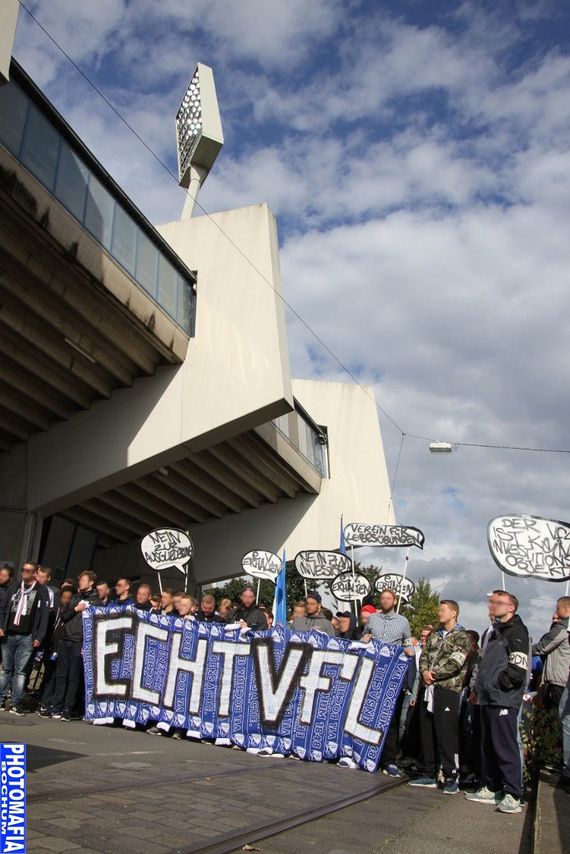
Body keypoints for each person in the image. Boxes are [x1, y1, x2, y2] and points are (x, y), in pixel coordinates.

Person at [467, 590, 529, 814]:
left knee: (505, 746)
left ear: (511, 607)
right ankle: (492, 787)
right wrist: (478, 688)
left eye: (498, 602)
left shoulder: (517, 631)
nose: (492, 605)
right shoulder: (494, 631)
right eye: (491, 602)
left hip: (503, 698)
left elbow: (518, 668)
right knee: (489, 745)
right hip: (487, 697)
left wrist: (499, 684)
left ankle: (513, 793)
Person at [410, 601, 470, 794]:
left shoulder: (462, 637)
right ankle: (429, 772)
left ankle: (451, 774)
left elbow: (456, 662)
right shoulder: (434, 635)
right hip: (428, 688)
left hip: (447, 689)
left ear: (453, 613)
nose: (439, 613)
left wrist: (434, 674)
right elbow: (424, 656)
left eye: (443, 610)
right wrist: (424, 672)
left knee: (446, 733)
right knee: (427, 729)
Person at [363, 588, 414, 777]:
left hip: (393, 675)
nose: (385, 601)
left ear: (394, 601)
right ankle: (368, 755)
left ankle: (389, 760)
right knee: (370, 715)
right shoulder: (373, 619)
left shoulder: (403, 621)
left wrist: (409, 651)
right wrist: (364, 639)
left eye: (388, 598)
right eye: (382, 598)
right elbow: (364, 637)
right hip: (374, 673)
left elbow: (408, 643)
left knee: (391, 719)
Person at [0, 562, 50, 715]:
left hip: (27, 636)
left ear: (35, 573)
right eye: (23, 570)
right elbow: (3, 607)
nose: (24, 572)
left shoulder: (41, 590)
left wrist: (40, 636)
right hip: (9, 634)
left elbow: (44, 616)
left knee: (20, 671)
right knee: (6, 669)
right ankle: (1, 699)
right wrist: (1, 626)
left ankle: (15, 703)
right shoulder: (15, 587)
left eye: (28, 570)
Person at [51, 570, 99, 721]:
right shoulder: (75, 597)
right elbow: (64, 616)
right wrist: (76, 609)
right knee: (61, 675)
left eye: (83, 580)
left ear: (91, 582)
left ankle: (68, 709)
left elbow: (96, 623)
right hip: (66, 638)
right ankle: (56, 706)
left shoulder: (96, 601)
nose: (80, 583)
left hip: (79, 641)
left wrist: (87, 644)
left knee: (73, 676)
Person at [38, 585, 76, 716]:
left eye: (68, 598)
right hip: (51, 648)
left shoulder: (73, 615)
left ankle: (52, 703)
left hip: (63, 648)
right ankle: (44, 701)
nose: (65, 600)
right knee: (49, 675)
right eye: (63, 597)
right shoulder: (55, 611)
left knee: (57, 677)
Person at [532, 597, 570, 719]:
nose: (556, 612)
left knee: (555, 718)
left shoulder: (562, 628)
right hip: (563, 680)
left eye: (558, 609)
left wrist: (522, 650)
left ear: (567, 609)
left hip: (558, 681)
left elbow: (543, 647)